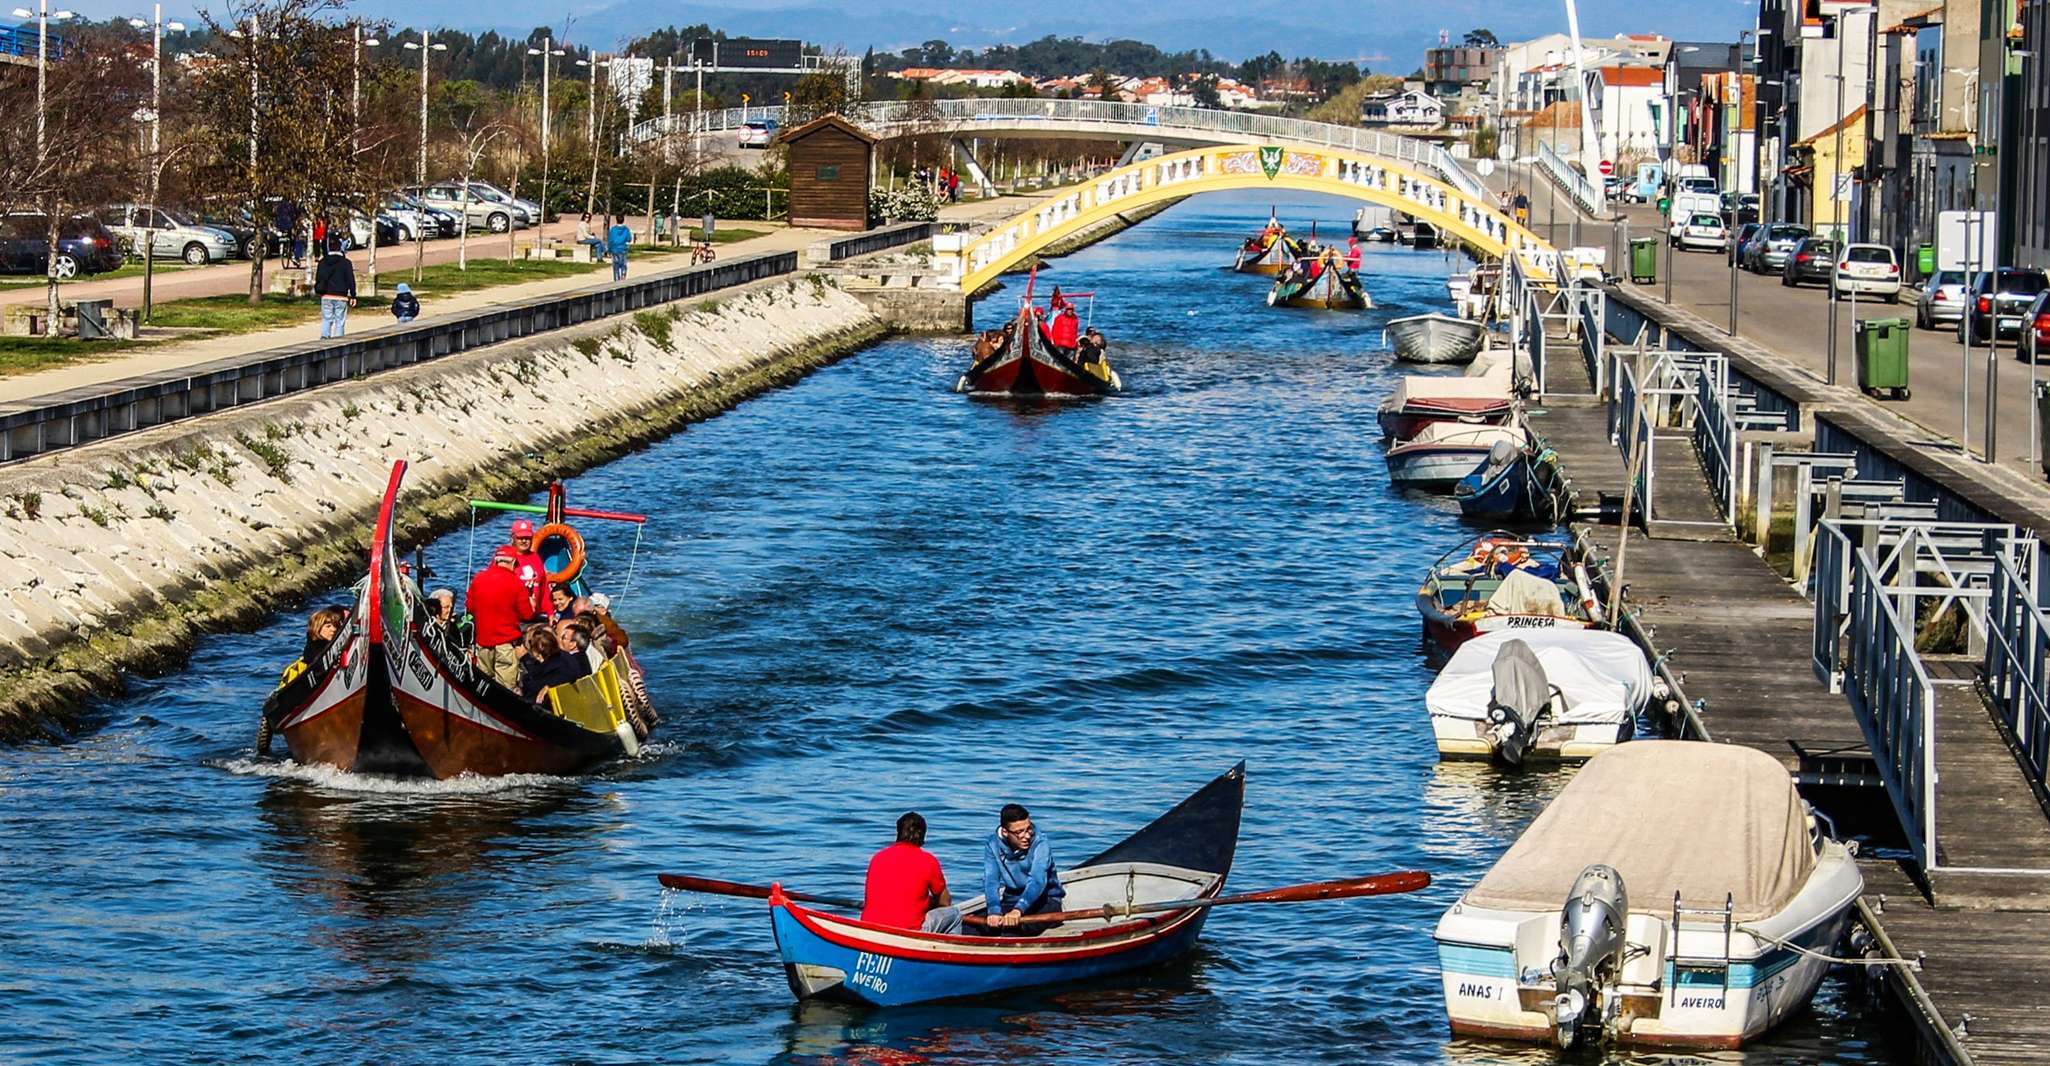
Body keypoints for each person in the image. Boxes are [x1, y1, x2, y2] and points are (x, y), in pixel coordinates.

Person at [862, 812, 964, 934]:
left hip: (869, 929)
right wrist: (929, 902)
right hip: (908, 932)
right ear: (923, 836)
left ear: (898, 833)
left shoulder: (877, 858)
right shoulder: (928, 861)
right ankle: (949, 949)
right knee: (955, 914)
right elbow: (945, 902)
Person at [981, 803, 1063, 931]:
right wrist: (993, 910)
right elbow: (991, 881)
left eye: (1028, 829)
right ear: (1005, 832)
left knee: (1014, 931)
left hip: (1046, 900)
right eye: (1019, 832)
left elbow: (1037, 881)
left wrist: (1019, 909)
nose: (1027, 836)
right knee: (973, 928)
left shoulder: (1041, 843)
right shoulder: (992, 844)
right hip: (1011, 898)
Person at [466, 545, 538, 689]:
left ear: (496, 561)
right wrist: (531, 597)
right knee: (505, 689)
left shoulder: (478, 579)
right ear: (513, 563)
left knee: (483, 683)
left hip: (483, 642)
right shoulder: (517, 583)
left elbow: (470, 608)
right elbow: (527, 615)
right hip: (506, 644)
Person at [518, 624, 589, 703]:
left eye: (563, 637)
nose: (559, 639)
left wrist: (550, 686)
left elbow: (533, 688)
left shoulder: (563, 663)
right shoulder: (563, 658)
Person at [507, 518, 555, 620]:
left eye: (527, 538)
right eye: (520, 538)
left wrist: (550, 612)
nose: (524, 541)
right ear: (513, 538)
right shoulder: (505, 558)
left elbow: (544, 588)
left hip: (533, 615)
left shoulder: (536, 558)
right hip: (511, 616)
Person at [314, 240, 356, 339]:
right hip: (341, 296)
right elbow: (350, 280)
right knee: (340, 320)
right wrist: (353, 295)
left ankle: (324, 337)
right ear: (340, 248)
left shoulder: (323, 262)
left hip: (326, 295)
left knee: (327, 318)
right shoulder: (346, 263)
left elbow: (318, 278)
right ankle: (338, 341)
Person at [606, 214, 632, 282]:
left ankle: (616, 279)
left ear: (616, 220)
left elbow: (610, 240)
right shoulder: (626, 229)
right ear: (623, 220)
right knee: (623, 264)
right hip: (623, 248)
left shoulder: (613, 229)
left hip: (615, 249)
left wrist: (609, 250)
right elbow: (629, 239)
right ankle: (623, 276)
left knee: (616, 264)